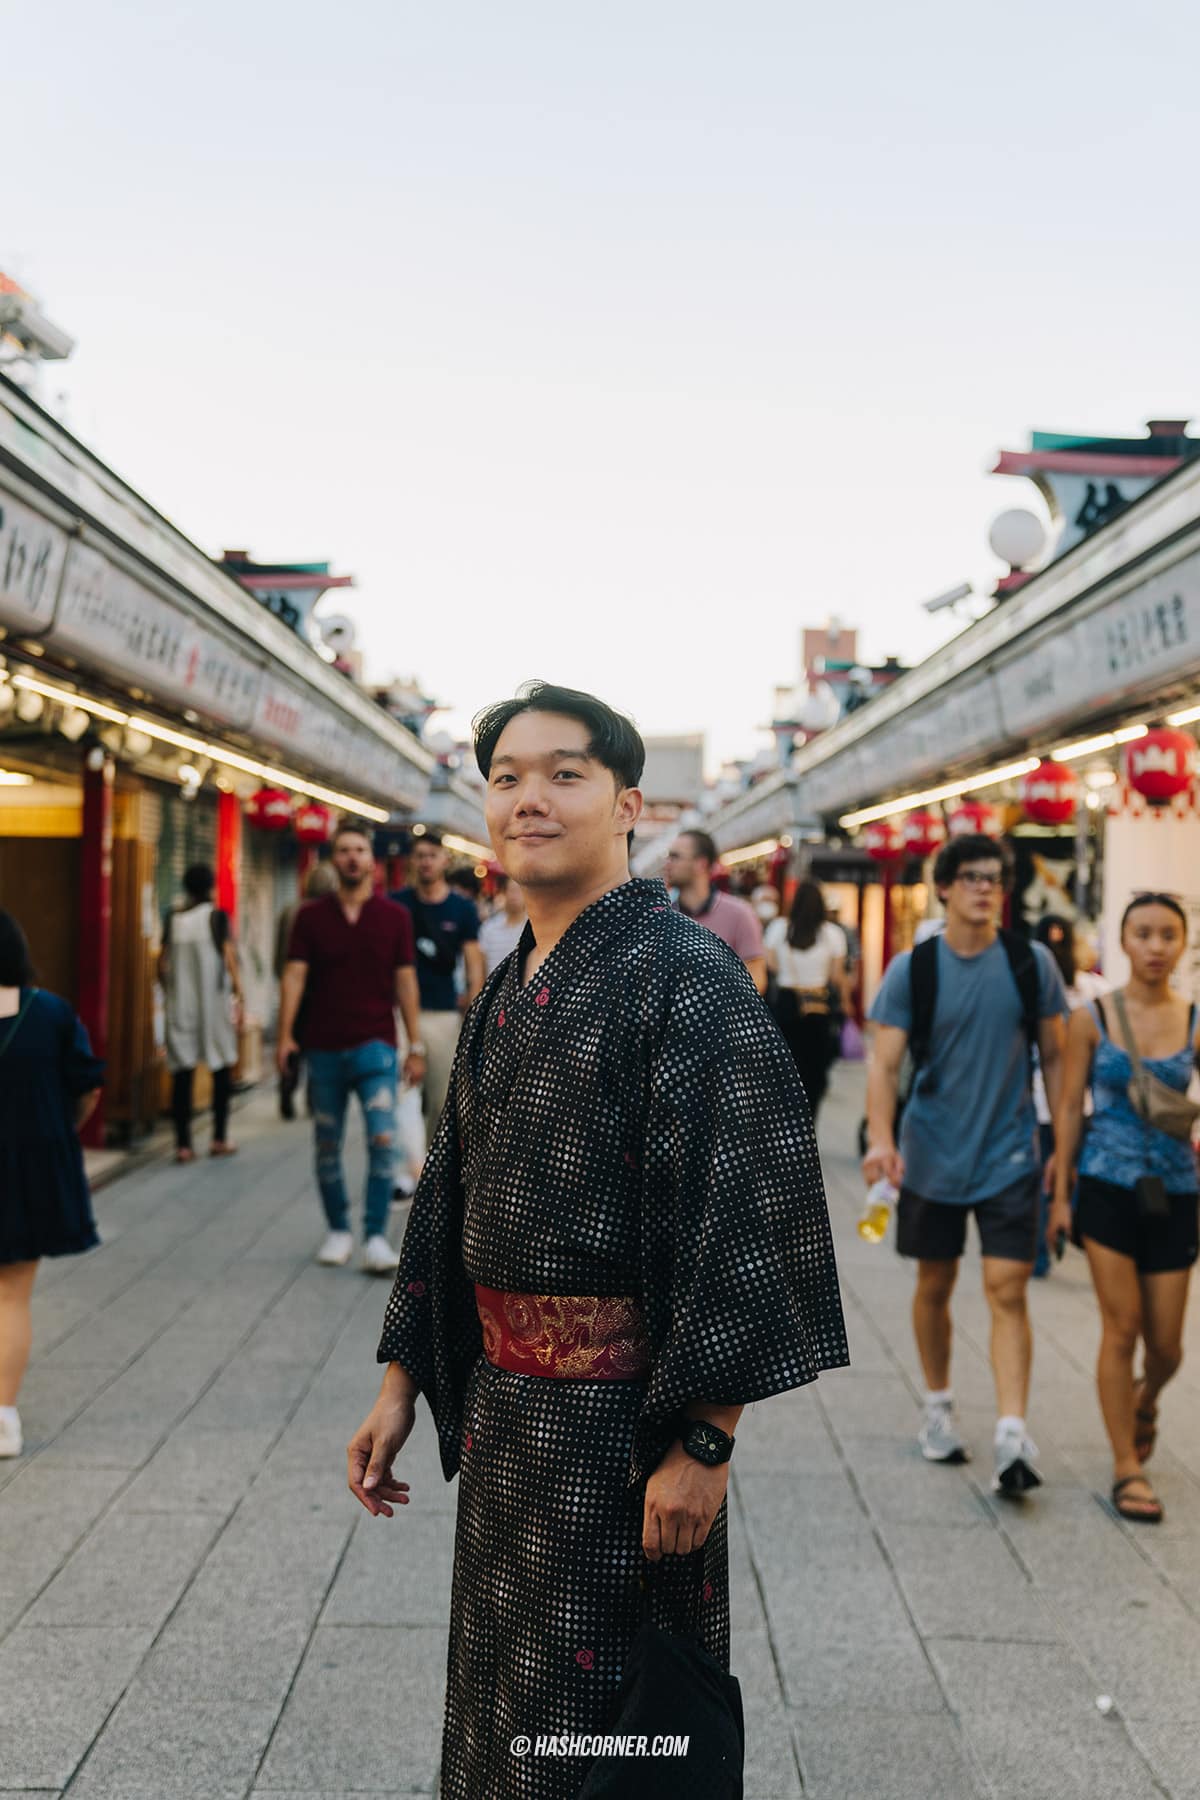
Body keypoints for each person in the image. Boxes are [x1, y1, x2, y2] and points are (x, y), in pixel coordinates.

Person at [347, 680, 847, 1799]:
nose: (529, 799)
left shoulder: (689, 978)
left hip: (625, 1439)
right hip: (508, 1421)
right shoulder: (509, 982)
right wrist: (401, 1383)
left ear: (628, 804)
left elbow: (750, 1216)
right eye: (507, 779)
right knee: (503, 1715)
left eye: (563, 775)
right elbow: (446, 1194)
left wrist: (705, 1444)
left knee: (610, 1730)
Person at [864, 833, 1068, 1493]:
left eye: (995, 878)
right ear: (945, 887)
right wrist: (881, 1139)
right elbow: (884, 1062)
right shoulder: (913, 970)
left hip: (1010, 1155)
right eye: (972, 877)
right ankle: (939, 1406)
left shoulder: (1030, 963)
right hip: (930, 1157)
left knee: (1007, 1289)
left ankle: (1012, 1430)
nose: (985, 888)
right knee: (935, 1286)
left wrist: (1061, 1143)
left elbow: (1058, 1057)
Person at [1050, 894, 1200, 1524]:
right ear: (1123, 940)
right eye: (1144, 933)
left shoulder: (1194, 1017)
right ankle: (1125, 1466)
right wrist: (1060, 1195)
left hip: (1176, 1189)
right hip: (1107, 1185)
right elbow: (1067, 1106)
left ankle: (1148, 1398)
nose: (1156, 946)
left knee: (1167, 1347)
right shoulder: (1092, 1017)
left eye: (1168, 934)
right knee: (1123, 1327)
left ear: (1183, 945)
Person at [278, 824, 427, 1273]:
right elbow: (294, 976)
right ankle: (339, 1228)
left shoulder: (394, 917)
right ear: (332, 860)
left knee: (384, 1140)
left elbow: (406, 981)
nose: (351, 858)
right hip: (321, 1045)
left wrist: (415, 1044)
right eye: (343, 851)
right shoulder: (310, 917)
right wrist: (285, 1034)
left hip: (376, 1044)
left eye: (359, 851)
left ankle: (376, 1235)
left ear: (372, 862)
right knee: (327, 1143)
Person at [0, 911, 103, 1458]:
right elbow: (87, 1087)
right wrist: (58, 1131)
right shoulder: (52, 1013)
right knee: (11, 1296)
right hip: (27, 1174)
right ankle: (4, 1419)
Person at [1030, 915, 1107, 1276]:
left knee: (1065, 1171)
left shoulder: (1091, 990)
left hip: (1077, 1101)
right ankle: (1046, 1245)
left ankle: (1063, 1229)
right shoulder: (1039, 985)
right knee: (1050, 1170)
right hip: (1046, 1101)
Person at [391, 834, 484, 1130]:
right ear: (412, 861)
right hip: (398, 1014)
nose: (426, 861)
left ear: (445, 860)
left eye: (432, 855)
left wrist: (475, 1008)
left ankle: (435, 1165)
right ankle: (406, 1166)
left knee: (442, 1100)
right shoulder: (396, 904)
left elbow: (473, 962)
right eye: (420, 855)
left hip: (442, 1013)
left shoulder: (462, 908)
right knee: (400, 1095)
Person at [160, 863, 244, 1163]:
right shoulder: (216, 917)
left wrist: (170, 991)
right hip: (214, 1006)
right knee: (221, 1069)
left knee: (181, 1074)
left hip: (181, 1005)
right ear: (210, 886)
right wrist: (239, 995)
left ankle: (183, 1145)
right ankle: (219, 1138)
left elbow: (162, 963)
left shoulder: (174, 918)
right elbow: (229, 958)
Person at [764, 879, 850, 1127]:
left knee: (783, 1071)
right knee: (814, 1072)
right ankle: (806, 1125)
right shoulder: (832, 934)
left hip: (785, 1005)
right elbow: (836, 975)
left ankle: (782, 1123)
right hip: (818, 1008)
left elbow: (771, 964)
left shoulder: (779, 928)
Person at [273, 860, 340, 1119]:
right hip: (319, 990)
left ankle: (286, 1092)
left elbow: (278, 952)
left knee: (293, 1041)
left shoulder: (290, 910)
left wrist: (282, 977)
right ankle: (314, 1098)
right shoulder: (323, 914)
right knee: (317, 1045)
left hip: (293, 988)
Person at [665, 829, 767, 993]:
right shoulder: (664, 915)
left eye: (675, 857)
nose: (667, 863)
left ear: (701, 864)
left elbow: (757, 977)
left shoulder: (739, 914)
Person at [477, 876, 527, 976]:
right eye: (511, 890)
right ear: (503, 893)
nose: (515, 896)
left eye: (519, 891)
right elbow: (481, 965)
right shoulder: (489, 928)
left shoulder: (535, 927)